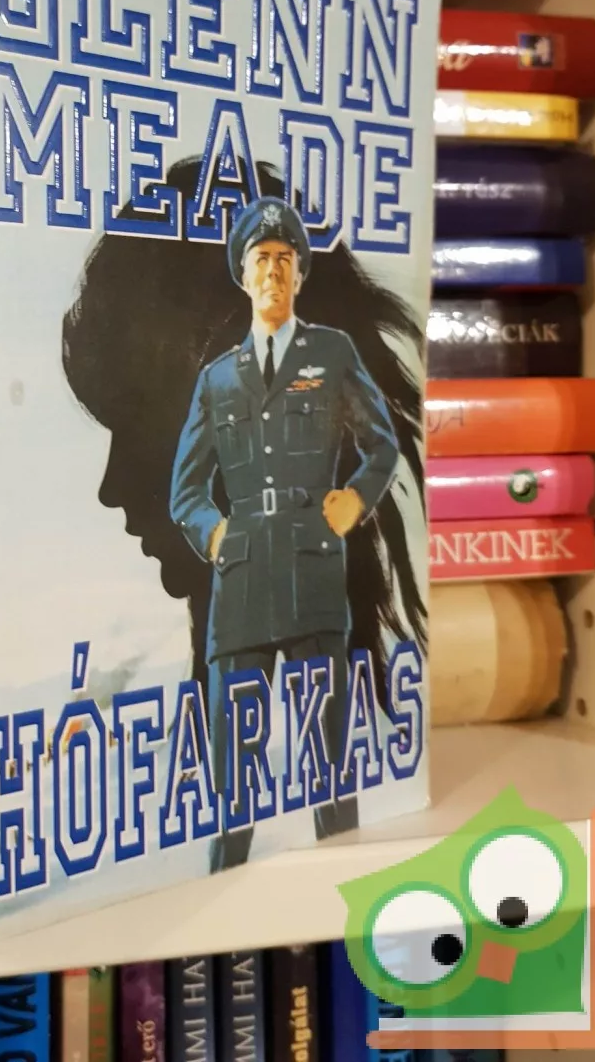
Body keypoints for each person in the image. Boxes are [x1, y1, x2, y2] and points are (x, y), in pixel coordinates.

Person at [170, 197, 399, 868]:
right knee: (231, 790)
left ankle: (342, 888)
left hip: (313, 575)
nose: (273, 270)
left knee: (330, 773)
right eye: (261, 259)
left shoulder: (330, 353)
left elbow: (381, 445)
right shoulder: (217, 379)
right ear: (243, 275)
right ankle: (220, 896)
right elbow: (185, 490)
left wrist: (356, 500)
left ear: (299, 273)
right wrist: (215, 537)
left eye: (284, 259)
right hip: (240, 591)